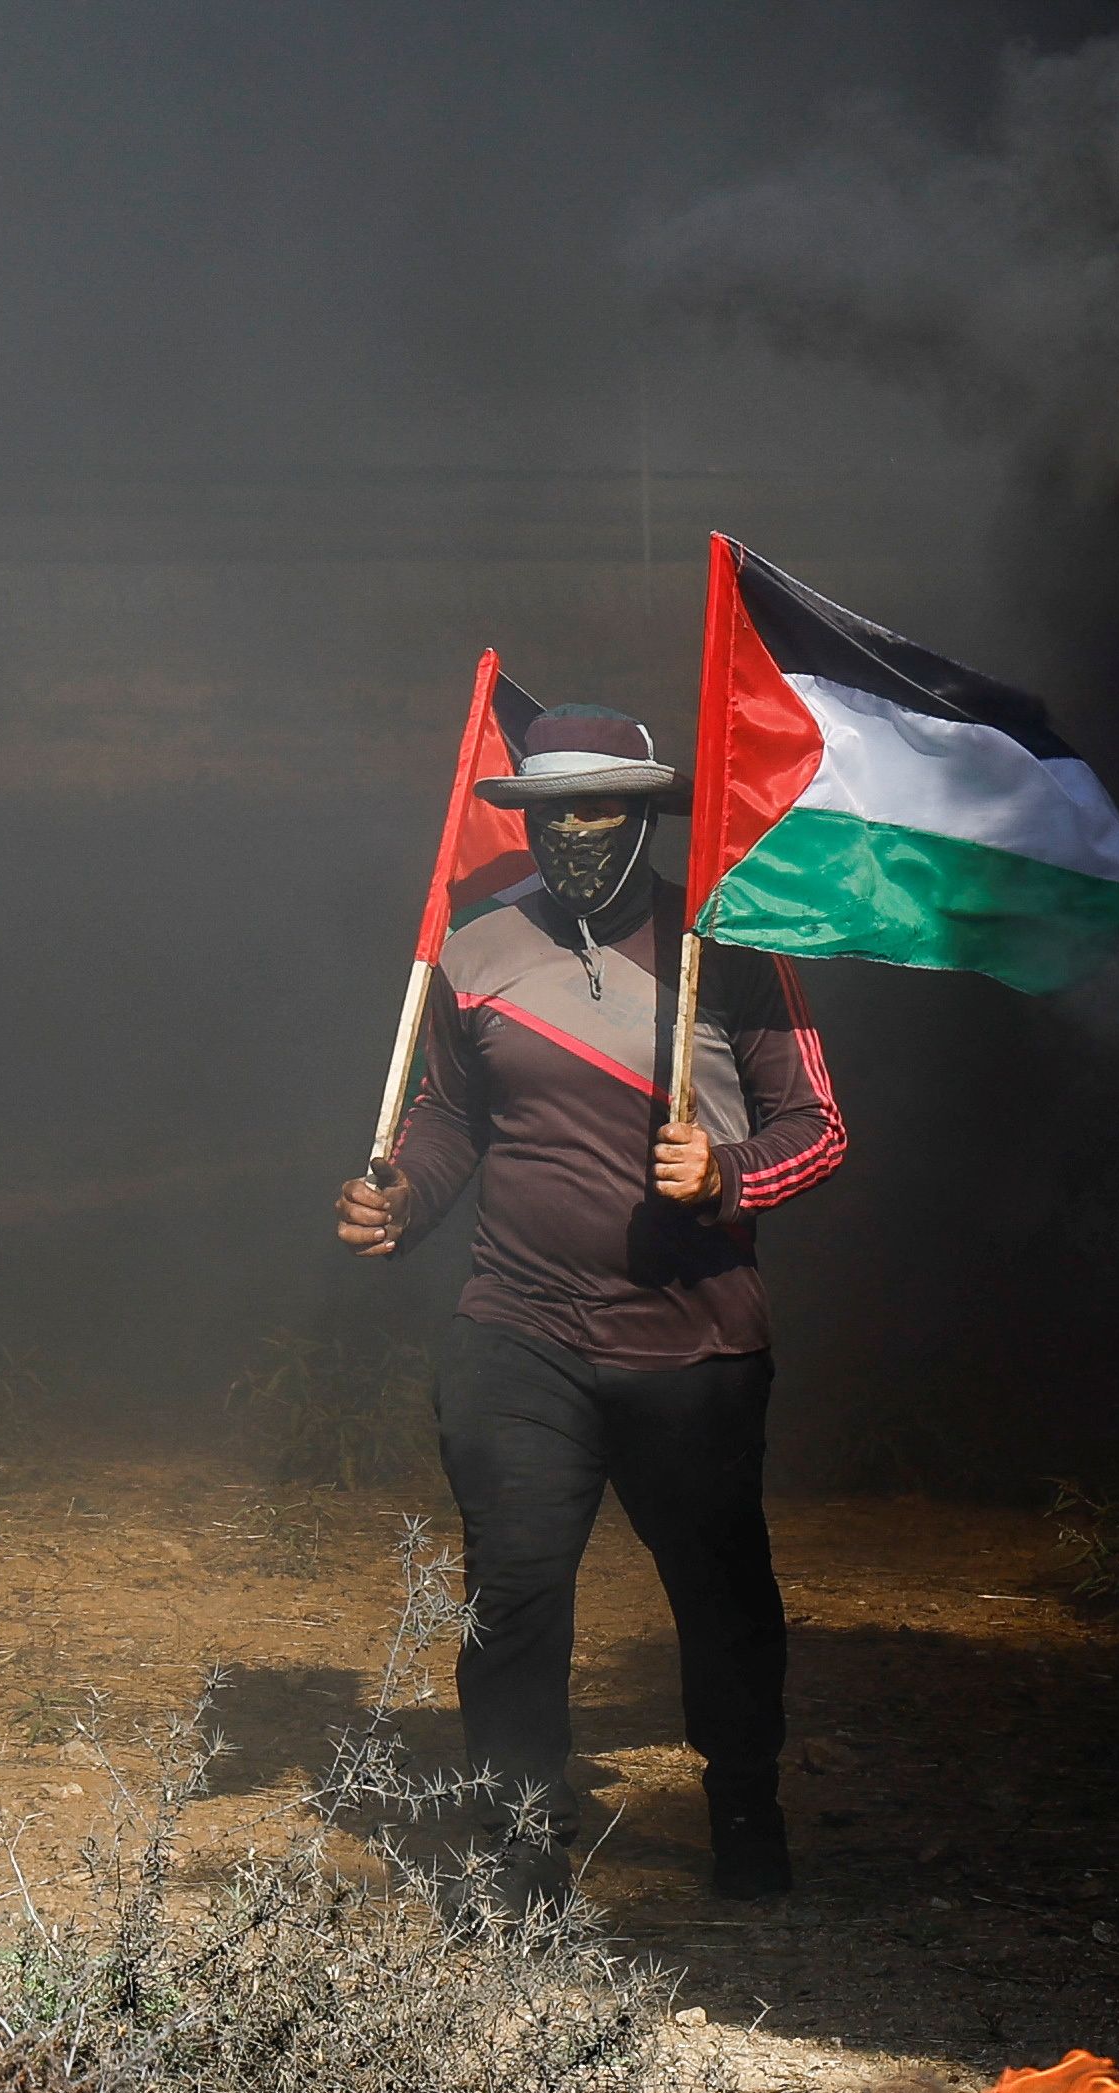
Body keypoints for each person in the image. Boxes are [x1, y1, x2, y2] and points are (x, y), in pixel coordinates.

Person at [331, 705, 848, 1900]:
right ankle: (521, 1841)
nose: (573, 831)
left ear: (650, 813)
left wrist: (727, 1174)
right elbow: (455, 1120)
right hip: (518, 1328)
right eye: (553, 810)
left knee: (717, 1589)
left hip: (693, 1345)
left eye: (599, 807)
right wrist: (403, 1199)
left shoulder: (728, 946)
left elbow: (817, 1127)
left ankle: (741, 1801)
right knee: (511, 1587)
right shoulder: (475, 948)